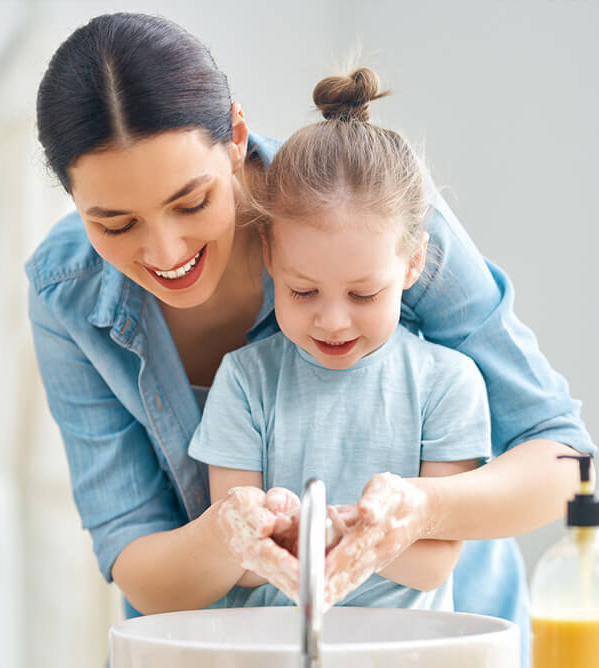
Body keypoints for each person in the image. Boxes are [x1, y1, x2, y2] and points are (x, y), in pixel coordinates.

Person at [27, 12, 595, 665]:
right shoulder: (64, 292)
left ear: (235, 136)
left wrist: (424, 510)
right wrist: (225, 539)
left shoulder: (373, 207)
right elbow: (135, 557)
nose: (165, 250)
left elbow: (564, 460)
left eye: (190, 202)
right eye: (115, 222)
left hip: (438, 644)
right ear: (72, 199)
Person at [187, 69, 490, 613]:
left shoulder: (447, 384)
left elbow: (433, 565)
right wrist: (267, 527)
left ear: (413, 263)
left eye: (364, 294)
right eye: (303, 292)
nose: (333, 321)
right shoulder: (246, 381)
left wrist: (334, 532)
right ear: (270, 258)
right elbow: (246, 566)